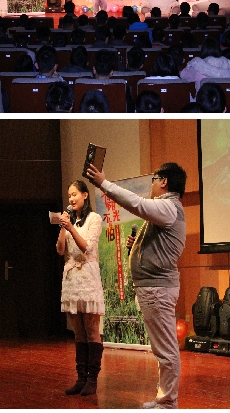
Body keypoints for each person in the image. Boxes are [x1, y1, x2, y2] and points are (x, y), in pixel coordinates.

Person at [84, 161, 187, 410]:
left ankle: (168, 403)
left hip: (158, 289)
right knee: (162, 349)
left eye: (154, 179)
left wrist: (104, 184)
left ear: (163, 181)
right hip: (154, 288)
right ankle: (164, 399)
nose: (151, 185)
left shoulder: (168, 206)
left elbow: (137, 204)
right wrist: (138, 247)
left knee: (166, 351)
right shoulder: (168, 208)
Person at [56, 179, 106, 397]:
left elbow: (87, 247)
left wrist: (71, 228)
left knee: (91, 330)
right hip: (72, 279)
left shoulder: (94, 219)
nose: (71, 199)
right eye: (69, 195)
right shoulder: (69, 222)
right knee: (78, 332)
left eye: (74, 194)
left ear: (85, 195)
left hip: (87, 276)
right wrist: (63, 227)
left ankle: (92, 380)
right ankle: (81, 378)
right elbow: (60, 250)